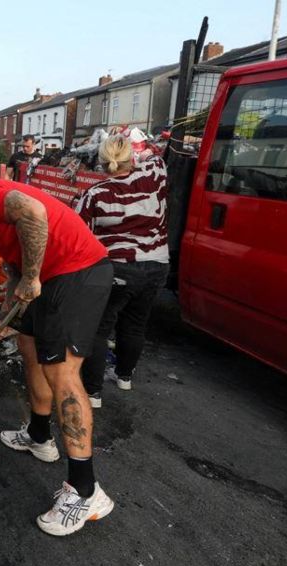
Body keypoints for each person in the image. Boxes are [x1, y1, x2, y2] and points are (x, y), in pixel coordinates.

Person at [0, 165, 114, 537]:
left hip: (77, 272)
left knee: (62, 373)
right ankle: (38, 434)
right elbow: (14, 269)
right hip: (50, 277)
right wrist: (4, 318)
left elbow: (33, 212)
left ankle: (85, 491)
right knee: (27, 344)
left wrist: (33, 276)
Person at [75, 135, 169, 408]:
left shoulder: (96, 194)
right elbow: (154, 152)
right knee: (136, 324)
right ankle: (124, 376)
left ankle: (93, 393)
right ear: (132, 157)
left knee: (99, 329)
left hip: (117, 269)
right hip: (156, 265)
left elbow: (83, 237)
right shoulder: (156, 177)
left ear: (102, 164)